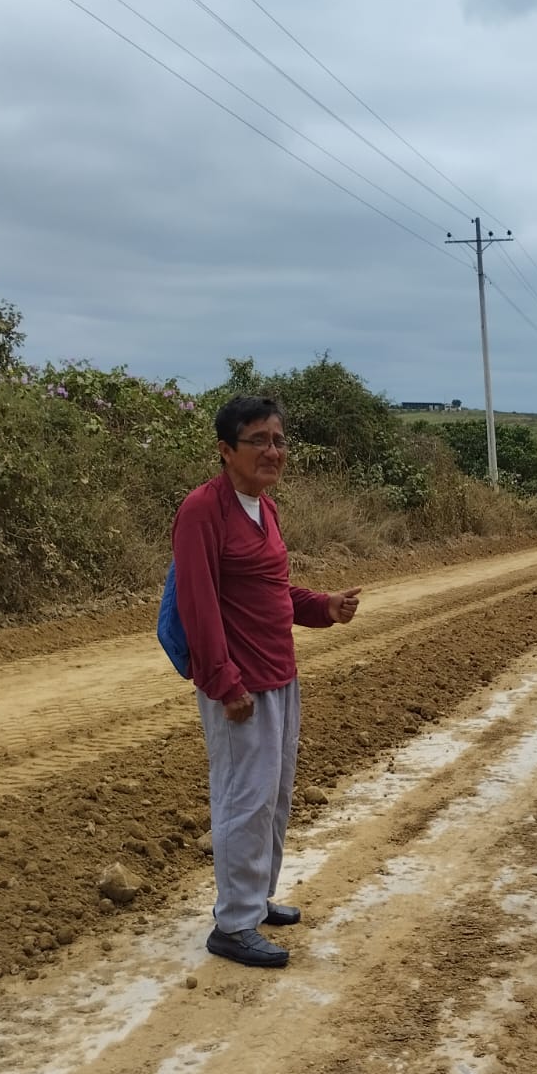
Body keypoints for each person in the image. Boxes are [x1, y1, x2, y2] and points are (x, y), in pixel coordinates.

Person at [172, 395, 360, 967]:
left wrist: (323, 606)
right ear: (225, 450)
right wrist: (224, 682)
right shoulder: (203, 510)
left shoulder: (266, 509)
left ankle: (255, 899)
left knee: (273, 798)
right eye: (258, 440)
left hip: (280, 674)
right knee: (243, 800)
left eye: (278, 440)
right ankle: (233, 924)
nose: (272, 451)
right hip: (240, 686)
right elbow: (198, 604)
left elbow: (273, 591)